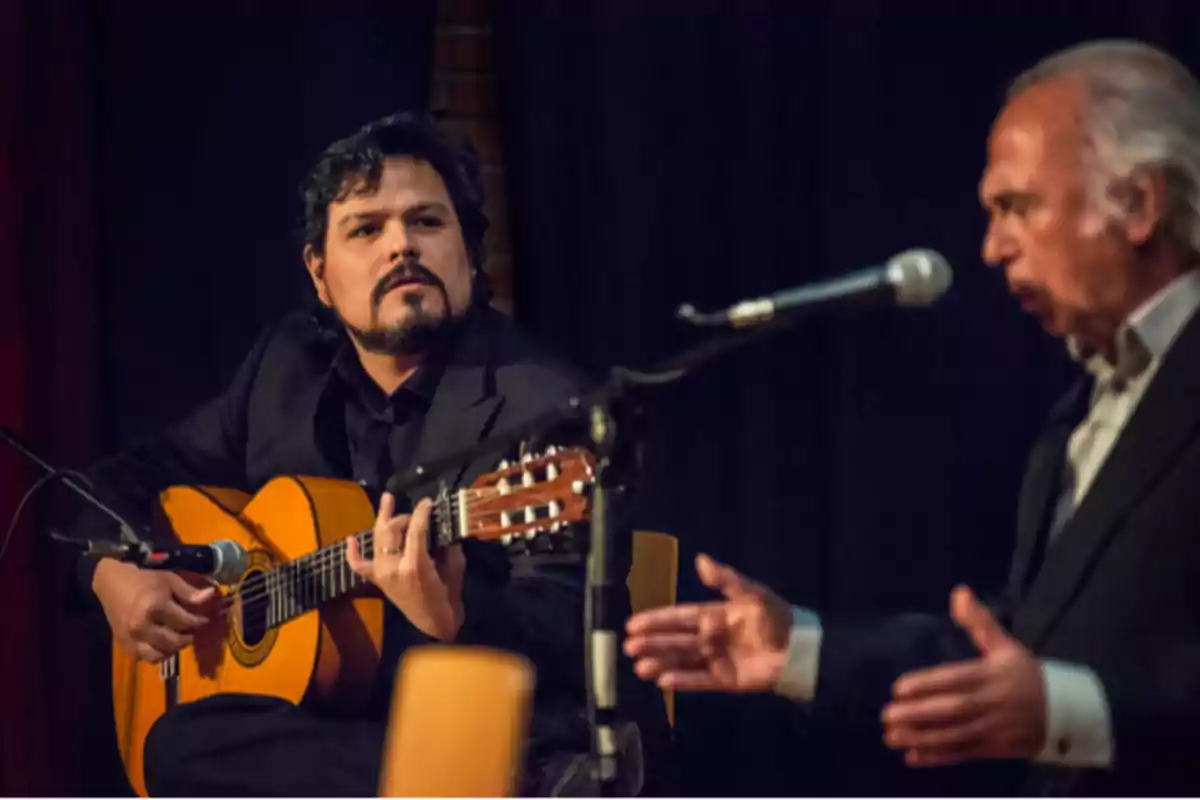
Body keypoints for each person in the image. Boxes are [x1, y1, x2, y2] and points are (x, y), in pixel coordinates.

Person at [625, 39, 1200, 797]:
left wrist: (1076, 713)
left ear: (1139, 204)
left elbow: (1066, 691)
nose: (993, 248)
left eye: (1016, 206)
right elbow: (1024, 644)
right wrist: (800, 650)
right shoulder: (1083, 412)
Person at [71, 112, 669, 796]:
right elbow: (126, 476)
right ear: (320, 274)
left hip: (493, 715)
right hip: (335, 730)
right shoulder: (283, 367)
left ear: (470, 253)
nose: (401, 247)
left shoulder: (552, 407)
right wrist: (112, 570)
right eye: (366, 229)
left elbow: (578, 630)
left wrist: (459, 616)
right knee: (176, 743)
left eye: (427, 223)